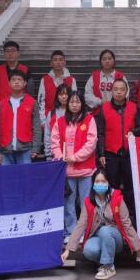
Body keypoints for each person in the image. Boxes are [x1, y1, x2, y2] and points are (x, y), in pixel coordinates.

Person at [61, 169, 140, 280]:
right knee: (88, 250)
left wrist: (138, 247)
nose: (100, 184)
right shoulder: (88, 201)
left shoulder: (117, 199)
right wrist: (68, 249)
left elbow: (126, 223)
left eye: (103, 181)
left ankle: (108, 267)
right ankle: (106, 260)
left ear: (108, 183)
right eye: (97, 181)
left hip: (116, 238)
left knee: (105, 230)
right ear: (93, 184)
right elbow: (81, 225)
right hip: (97, 236)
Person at [51, 91, 98, 239]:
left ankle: (86, 231)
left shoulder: (89, 120)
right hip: (66, 170)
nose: (74, 105)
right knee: (68, 203)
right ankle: (71, 232)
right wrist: (60, 157)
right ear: (67, 104)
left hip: (85, 169)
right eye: (72, 102)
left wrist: (75, 157)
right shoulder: (60, 121)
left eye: (78, 102)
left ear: (82, 104)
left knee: (85, 202)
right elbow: (54, 142)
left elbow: (91, 143)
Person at [96, 79, 140, 225]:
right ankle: (111, 217)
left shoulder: (133, 107)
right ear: (111, 91)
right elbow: (100, 133)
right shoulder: (104, 108)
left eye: (122, 89)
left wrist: (133, 132)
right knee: (112, 187)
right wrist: (101, 153)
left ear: (126, 91)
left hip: (129, 154)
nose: (118, 92)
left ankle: (132, 218)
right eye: (116, 89)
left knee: (130, 188)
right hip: (111, 154)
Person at [0, 70, 41, 165]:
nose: (17, 82)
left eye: (19, 79)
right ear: (9, 83)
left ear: (25, 83)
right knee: (7, 175)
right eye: (13, 80)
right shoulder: (1, 104)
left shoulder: (32, 103)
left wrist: (35, 149)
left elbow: (36, 127)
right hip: (5, 150)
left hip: (25, 149)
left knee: (25, 175)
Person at [37, 50, 77, 126]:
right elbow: (41, 101)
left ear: (65, 62)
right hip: (48, 118)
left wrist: (72, 117)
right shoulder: (44, 80)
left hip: (67, 117)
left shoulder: (71, 80)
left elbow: (74, 99)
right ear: (51, 63)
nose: (58, 62)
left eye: (61, 60)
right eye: (55, 60)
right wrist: (43, 120)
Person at [84, 49, 128, 116]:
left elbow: (126, 93)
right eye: (104, 59)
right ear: (100, 61)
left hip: (117, 112)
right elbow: (87, 95)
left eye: (110, 58)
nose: (107, 61)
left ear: (114, 60)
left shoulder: (120, 76)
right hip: (98, 112)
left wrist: (115, 103)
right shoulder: (94, 77)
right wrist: (100, 102)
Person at [44, 84, 70, 161]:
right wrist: (48, 154)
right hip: (55, 155)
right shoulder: (52, 114)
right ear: (57, 97)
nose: (64, 97)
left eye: (66, 94)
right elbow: (47, 134)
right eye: (61, 94)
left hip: (73, 155)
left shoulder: (76, 113)